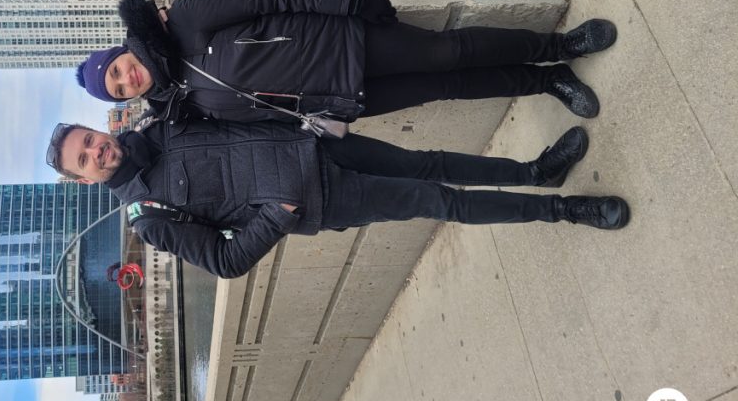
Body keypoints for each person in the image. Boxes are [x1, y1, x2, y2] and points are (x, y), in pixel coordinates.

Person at [45, 119, 630, 279]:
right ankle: (563, 210)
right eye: (84, 159)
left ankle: (537, 171)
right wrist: (279, 214)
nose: (96, 152)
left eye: (89, 141)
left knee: (429, 161)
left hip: (318, 146)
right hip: (321, 199)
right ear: (87, 180)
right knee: (438, 200)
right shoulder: (149, 218)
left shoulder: (157, 123)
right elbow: (225, 261)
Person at [75, 0, 617, 124]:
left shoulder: (188, 17)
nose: (128, 81)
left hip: (345, 43)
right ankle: (549, 82)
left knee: (448, 53)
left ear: (122, 51)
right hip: (339, 101)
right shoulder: (183, 102)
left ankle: (560, 45)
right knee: (447, 89)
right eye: (119, 90)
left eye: (118, 70)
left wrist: (349, 0)